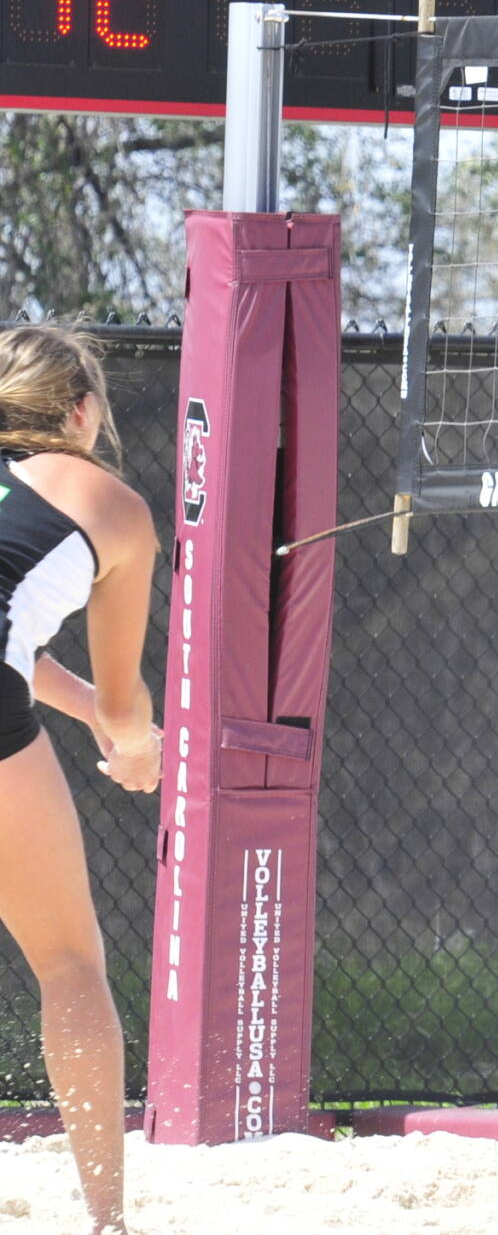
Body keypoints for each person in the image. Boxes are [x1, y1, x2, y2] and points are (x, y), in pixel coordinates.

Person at [0, 327, 163, 1234]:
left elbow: (20, 649)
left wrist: (101, 715)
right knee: (69, 967)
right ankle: (106, 1222)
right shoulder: (109, 504)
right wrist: (134, 746)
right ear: (82, 411)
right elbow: (121, 694)